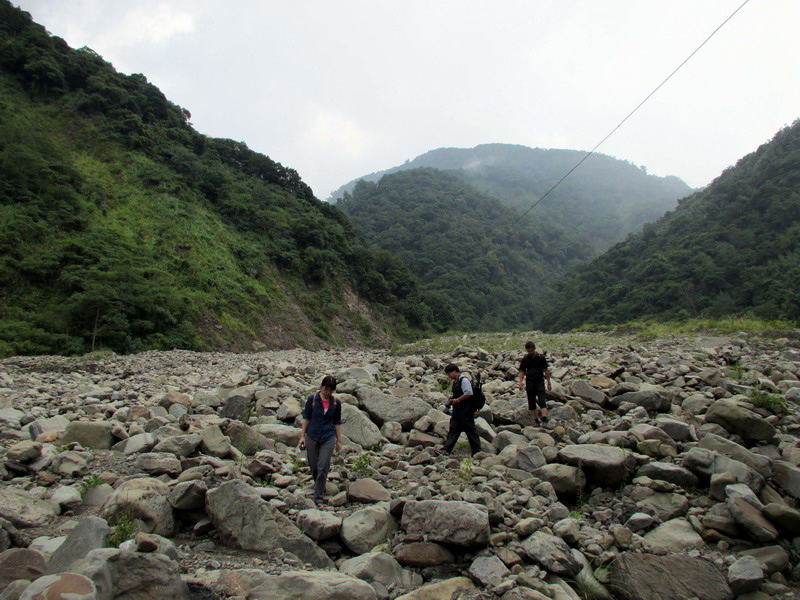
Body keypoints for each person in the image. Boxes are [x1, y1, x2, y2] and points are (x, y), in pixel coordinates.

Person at [298, 375, 342, 507]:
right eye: (326, 389)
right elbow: (306, 418)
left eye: (330, 390)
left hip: (328, 437)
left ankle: (318, 497)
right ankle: (320, 486)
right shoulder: (312, 399)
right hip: (312, 436)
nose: (328, 392)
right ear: (321, 387)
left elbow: (337, 422)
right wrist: (302, 437)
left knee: (323, 465)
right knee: (314, 466)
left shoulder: (335, 403)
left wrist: (339, 440)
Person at [439, 364, 482, 456]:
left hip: (466, 410)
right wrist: (453, 398)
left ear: (454, 371)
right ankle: (446, 450)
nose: (449, 376)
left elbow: (469, 393)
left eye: (449, 373)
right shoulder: (456, 381)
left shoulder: (464, 380)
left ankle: (477, 451)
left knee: (470, 430)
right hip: (458, 411)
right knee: (454, 429)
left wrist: (457, 400)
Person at [518, 341, 552, 426]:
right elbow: (522, 371)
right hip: (529, 381)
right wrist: (520, 381)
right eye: (528, 351)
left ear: (534, 349)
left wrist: (549, 383)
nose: (530, 352)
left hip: (539, 381)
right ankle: (536, 421)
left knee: (542, 400)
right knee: (531, 402)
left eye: (531, 350)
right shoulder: (525, 359)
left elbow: (546, 370)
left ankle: (545, 419)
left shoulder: (541, 358)